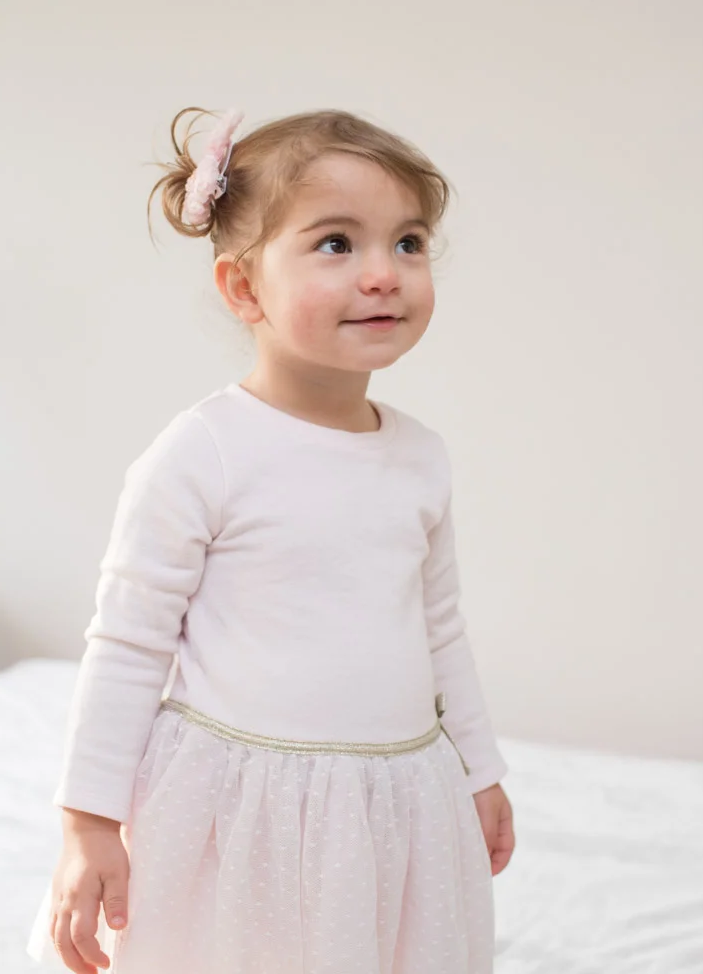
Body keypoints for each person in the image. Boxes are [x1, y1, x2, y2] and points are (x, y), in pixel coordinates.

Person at [32, 108, 514, 974]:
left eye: (409, 242)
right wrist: (88, 824)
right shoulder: (204, 454)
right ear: (244, 289)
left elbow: (440, 628)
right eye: (336, 243)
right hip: (244, 808)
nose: (384, 274)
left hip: (396, 798)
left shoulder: (420, 458)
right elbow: (129, 644)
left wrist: (479, 770)